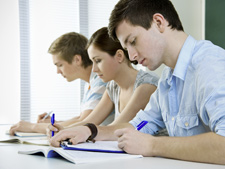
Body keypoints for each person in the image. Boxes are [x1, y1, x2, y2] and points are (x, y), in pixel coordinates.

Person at [50, 0, 225, 165]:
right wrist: (90, 131)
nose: (132, 56)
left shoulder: (210, 65)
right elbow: (138, 125)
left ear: (158, 22)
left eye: (133, 41)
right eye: (127, 48)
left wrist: (153, 145)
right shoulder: (167, 80)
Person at [48, 27, 159, 141]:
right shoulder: (112, 86)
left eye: (98, 60)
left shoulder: (146, 86)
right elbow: (88, 121)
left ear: (119, 56)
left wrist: (70, 131)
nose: (94, 69)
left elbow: (114, 129)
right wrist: (62, 130)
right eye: (92, 62)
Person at [9, 32, 113, 135]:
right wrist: (53, 123)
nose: (58, 71)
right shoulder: (90, 83)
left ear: (77, 59)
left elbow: (84, 122)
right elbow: (80, 118)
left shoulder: (100, 82)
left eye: (60, 65)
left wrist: (33, 127)